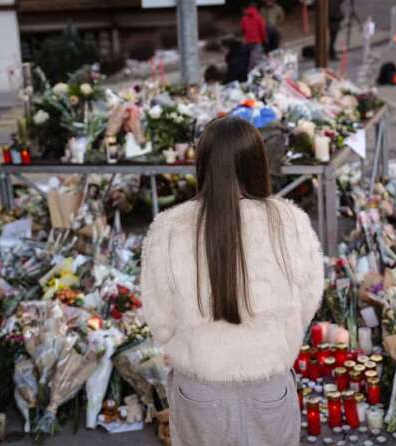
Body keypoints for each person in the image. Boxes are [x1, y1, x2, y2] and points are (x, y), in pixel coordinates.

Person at [142, 116, 324, 446]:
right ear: (258, 162)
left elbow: (160, 321)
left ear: (203, 164)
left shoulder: (168, 229)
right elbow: (309, 299)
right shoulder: (289, 220)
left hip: (199, 389)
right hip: (268, 386)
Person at [240, 3, 267, 70]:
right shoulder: (258, 17)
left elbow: (243, 29)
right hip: (257, 40)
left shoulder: (244, 18)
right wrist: (264, 39)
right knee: (258, 57)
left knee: (250, 57)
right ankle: (260, 72)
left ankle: (249, 71)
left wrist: (246, 36)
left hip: (248, 41)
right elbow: (262, 30)